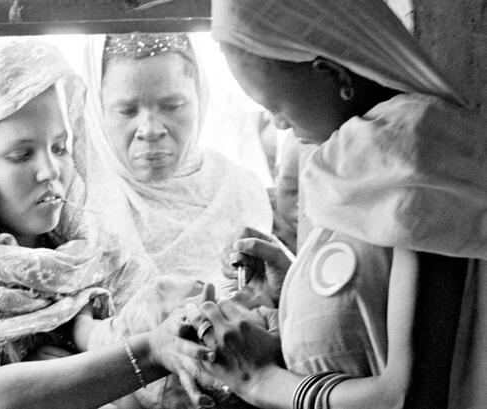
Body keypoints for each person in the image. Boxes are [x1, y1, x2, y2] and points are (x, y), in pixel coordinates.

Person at [181, 0, 487, 408]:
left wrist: (256, 377)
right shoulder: (362, 160)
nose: (279, 124)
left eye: (274, 106)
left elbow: (410, 397)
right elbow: (372, 317)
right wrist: (296, 290)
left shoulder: (415, 153)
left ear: (333, 73)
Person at [0, 37, 218, 409]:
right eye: (21, 154)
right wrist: (149, 354)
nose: (50, 171)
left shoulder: (90, 251)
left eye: (60, 148)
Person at [83, 32, 273, 288]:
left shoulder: (240, 191)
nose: (149, 130)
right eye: (127, 111)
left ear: (200, 98)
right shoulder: (80, 200)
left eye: (172, 106)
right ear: (98, 109)